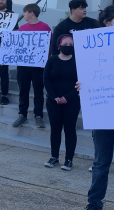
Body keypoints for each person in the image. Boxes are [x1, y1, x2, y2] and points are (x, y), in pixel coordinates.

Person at [83, 5, 114, 210]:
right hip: (104, 112)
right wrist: (83, 85)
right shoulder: (93, 47)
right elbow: (88, 76)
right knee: (101, 163)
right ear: (107, 23)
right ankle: (94, 204)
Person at [43, 34, 79, 171]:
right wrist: (54, 96)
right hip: (54, 101)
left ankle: (69, 159)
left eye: (71, 45)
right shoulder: (52, 60)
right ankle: (54, 157)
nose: (68, 47)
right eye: (66, 44)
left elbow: (80, 82)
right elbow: (46, 79)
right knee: (55, 129)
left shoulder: (77, 61)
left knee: (70, 130)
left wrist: (67, 97)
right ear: (59, 45)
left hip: (72, 101)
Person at [12, 4, 51, 128]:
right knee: (23, 89)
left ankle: (38, 115)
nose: (23, 15)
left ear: (31, 13)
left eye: (25, 12)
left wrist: (45, 61)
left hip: (38, 66)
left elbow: (49, 47)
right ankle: (22, 114)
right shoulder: (22, 28)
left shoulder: (45, 27)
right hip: (23, 65)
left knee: (38, 90)